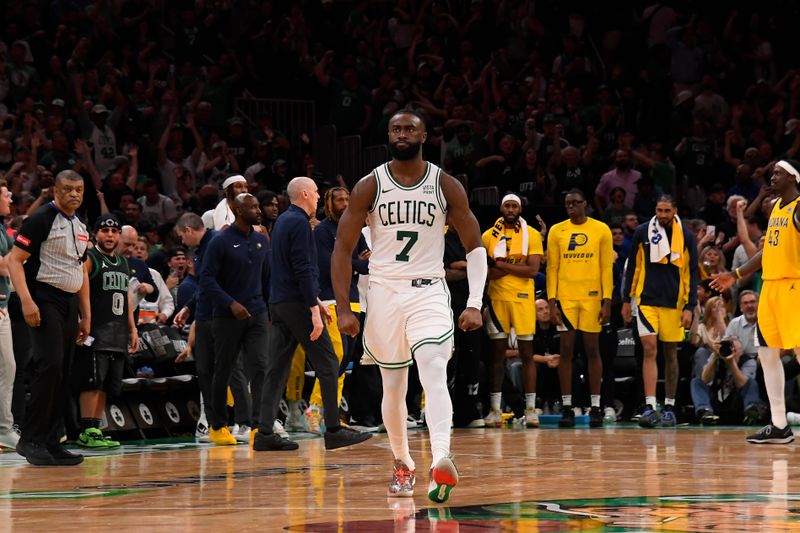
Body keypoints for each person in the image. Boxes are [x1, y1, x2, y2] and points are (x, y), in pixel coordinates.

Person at [331, 109, 487, 502]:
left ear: (424, 135)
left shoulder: (445, 185)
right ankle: (402, 464)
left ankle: (441, 461)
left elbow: (476, 247)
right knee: (394, 386)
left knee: (434, 369)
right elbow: (342, 248)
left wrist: (473, 301)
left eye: (409, 129)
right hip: (384, 292)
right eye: (396, 129)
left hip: (429, 289)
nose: (402, 134)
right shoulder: (370, 186)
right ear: (389, 135)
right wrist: (345, 309)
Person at [255, 177, 370, 452]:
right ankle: (333, 429)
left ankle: (264, 433)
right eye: (316, 192)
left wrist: (315, 301)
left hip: (281, 303)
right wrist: (313, 309)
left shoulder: (283, 221)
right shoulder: (300, 223)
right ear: (305, 194)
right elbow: (303, 269)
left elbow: (282, 268)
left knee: (277, 368)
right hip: (297, 304)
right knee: (329, 363)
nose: (319, 197)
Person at [712, 159, 800, 444]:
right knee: (767, 354)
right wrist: (734, 275)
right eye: (772, 172)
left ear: (793, 177)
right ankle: (779, 425)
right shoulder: (776, 209)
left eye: (778, 173)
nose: (772, 176)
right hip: (772, 288)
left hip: (793, 287)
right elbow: (767, 253)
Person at [6, 170, 91, 466]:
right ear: (55, 191)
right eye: (67, 189)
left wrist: (86, 314)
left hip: (68, 303)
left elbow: (81, 270)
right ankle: (30, 439)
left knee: (64, 371)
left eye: (78, 189)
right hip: (43, 298)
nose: (74, 194)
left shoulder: (80, 224)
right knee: (50, 366)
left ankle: (53, 442)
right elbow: (13, 260)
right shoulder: (42, 218)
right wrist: (28, 301)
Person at [622, 195, 699, 428]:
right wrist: (626, 299)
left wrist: (690, 306)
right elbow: (633, 267)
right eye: (659, 210)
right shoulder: (642, 232)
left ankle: (669, 405)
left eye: (667, 210)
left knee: (671, 354)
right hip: (646, 300)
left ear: (675, 210)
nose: (662, 215)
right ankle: (649, 406)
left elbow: (692, 272)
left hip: (674, 303)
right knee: (649, 349)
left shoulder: (686, 235)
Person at [201, 193, 270, 446]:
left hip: (258, 314)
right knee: (225, 370)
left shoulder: (262, 240)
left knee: (261, 368)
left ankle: (257, 426)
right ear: (239, 211)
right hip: (226, 316)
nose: (259, 210)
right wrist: (230, 303)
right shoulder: (220, 242)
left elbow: (266, 279)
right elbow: (206, 279)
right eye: (253, 207)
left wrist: (267, 311)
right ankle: (218, 425)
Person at [547, 188, 614, 427]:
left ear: (586, 203)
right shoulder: (557, 230)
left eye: (576, 202)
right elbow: (552, 268)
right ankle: (567, 407)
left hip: (592, 297)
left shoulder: (601, 229)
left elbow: (606, 268)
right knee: (566, 350)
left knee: (592, 350)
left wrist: (607, 301)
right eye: (568, 203)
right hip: (566, 298)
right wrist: (552, 301)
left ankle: (596, 406)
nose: (571, 206)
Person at [74, 214, 138, 448]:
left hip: (118, 330)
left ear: (119, 235)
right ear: (95, 234)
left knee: (106, 384)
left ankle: (96, 427)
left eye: (114, 232)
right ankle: (86, 430)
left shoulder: (123, 262)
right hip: (95, 329)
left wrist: (132, 328)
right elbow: (80, 288)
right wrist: (84, 319)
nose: (109, 235)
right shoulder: (90, 258)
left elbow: (126, 298)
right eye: (104, 231)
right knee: (92, 381)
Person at [481, 194, 543, 428]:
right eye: (507, 205)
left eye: (514, 205)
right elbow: (487, 272)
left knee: (527, 354)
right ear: (501, 208)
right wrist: (515, 266)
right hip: (498, 299)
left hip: (524, 299)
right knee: (496, 357)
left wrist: (502, 265)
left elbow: (532, 270)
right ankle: (495, 409)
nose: (510, 209)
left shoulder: (532, 234)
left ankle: (530, 409)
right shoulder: (488, 235)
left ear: (520, 208)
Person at [690, 292, 763, 425]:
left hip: (736, 401)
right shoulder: (719, 351)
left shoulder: (748, 360)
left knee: (751, 384)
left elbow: (743, 384)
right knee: (696, 382)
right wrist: (715, 357)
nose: (732, 348)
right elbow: (705, 380)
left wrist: (732, 364)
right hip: (716, 400)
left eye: (736, 345)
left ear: (741, 347)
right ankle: (704, 411)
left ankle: (751, 412)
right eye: (745, 303)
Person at [0, 181, 16, 449]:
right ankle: (3, 429)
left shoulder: (3, 229)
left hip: (4, 306)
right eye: (5, 194)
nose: (10, 197)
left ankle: (4, 428)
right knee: (6, 368)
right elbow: (6, 266)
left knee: (8, 368)